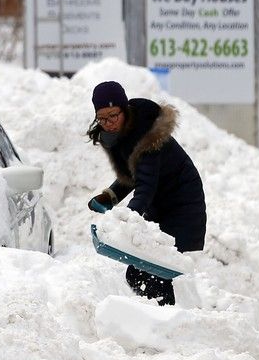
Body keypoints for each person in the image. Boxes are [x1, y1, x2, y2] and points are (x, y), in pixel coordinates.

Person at [87, 81, 207, 305]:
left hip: (182, 207)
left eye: (113, 116)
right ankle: (164, 319)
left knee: (163, 274)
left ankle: (177, 321)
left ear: (124, 109)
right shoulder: (124, 134)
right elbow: (132, 175)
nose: (109, 123)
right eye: (102, 119)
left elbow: (146, 186)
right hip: (159, 206)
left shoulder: (147, 136)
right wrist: (110, 196)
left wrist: (127, 218)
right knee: (140, 273)